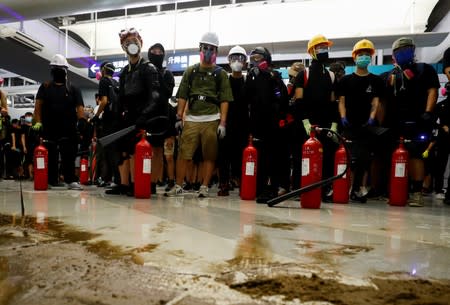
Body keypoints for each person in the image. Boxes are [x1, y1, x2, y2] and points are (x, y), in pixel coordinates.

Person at [165, 32, 233, 198]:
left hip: (212, 118)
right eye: (205, 48)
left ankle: (204, 186)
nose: (208, 51)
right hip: (192, 118)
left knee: (209, 155)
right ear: (200, 48)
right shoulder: (191, 71)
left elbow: (225, 99)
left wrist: (223, 123)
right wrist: (179, 116)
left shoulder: (221, 74)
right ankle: (179, 185)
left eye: (212, 48)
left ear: (216, 51)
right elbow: (182, 95)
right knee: (184, 154)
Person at [382, 37, 440, 207]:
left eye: (408, 48)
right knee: (394, 155)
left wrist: (428, 112)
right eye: (400, 50)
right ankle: (397, 190)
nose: (404, 52)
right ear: (393, 55)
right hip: (395, 122)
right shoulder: (390, 76)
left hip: (418, 120)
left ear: (413, 50)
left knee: (415, 154)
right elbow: (383, 101)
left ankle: (416, 193)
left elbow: (432, 91)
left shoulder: (425, 70)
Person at [105, 28, 162, 196]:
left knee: (139, 150)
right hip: (128, 115)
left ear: (141, 43)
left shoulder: (148, 68)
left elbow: (155, 95)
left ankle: (141, 183)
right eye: (128, 43)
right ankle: (125, 183)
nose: (132, 45)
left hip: (144, 116)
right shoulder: (124, 72)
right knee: (124, 149)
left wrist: (145, 116)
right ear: (123, 47)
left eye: (135, 42)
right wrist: (118, 114)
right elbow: (121, 96)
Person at [293, 34, 339, 201]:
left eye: (326, 48)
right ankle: (300, 188)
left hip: (326, 123)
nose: (324, 51)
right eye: (320, 48)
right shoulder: (303, 74)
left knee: (326, 156)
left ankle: (325, 189)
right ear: (312, 51)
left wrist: (334, 125)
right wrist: (305, 122)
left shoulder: (331, 76)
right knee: (302, 156)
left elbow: (333, 103)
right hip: (306, 124)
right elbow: (299, 101)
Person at [337, 39, 383, 203]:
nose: (363, 57)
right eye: (360, 54)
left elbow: (375, 102)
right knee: (350, 159)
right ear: (354, 57)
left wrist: (372, 118)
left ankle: (357, 190)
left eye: (366, 55)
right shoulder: (345, 80)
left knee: (363, 159)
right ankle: (345, 188)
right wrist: (343, 116)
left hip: (366, 126)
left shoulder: (376, 80)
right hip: (349, 125)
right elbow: (341, 101)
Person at [32, 54, 85, 190]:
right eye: (55, 68)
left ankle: (70, 180)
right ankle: (51, 180)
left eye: (60, 68)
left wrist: (81, 121)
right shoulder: (45, 87)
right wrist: (38, 122)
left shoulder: (73, 89)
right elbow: (38, 106)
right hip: (49, 127)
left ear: (66, 71)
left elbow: (80, 107)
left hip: (68, 128)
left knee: (69, 155)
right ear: (52, 71)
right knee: (51, 155)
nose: (58, 71)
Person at [245, 47, 289, 203]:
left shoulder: (274, 75)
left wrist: (277, 116)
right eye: (253, 58)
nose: (254, 61)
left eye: (258, 58)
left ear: (266, 59)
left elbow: (282, 97)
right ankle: (260, 186)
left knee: (272, 157)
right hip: (256, 123)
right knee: (260, 156)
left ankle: (272, 187)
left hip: (272, 124)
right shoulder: (251, 77)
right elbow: (248, 99)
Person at [216, 45, 249, 196]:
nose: (237, 61)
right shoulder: (224, 81)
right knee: (223, 154)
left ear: (245, 62)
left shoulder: (248, 81)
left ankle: (241, 181)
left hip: (243, 124)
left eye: (240, 58)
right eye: (234, 58)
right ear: (229, 61)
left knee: (240, 155)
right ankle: (223, 183)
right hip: (226, 123)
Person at [148, 43, 175, 194]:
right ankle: (151, 181)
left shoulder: (167, 74)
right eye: (154, 51)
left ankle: (169, 180)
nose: (157, 54)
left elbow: (168, 93)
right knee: (152, 151)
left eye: (160, 52)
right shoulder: (145, 71)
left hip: (165, 115)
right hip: (149, 115)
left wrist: (157, 75)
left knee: (166, 153)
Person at [94, 62, 120, 188]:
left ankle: (107, 179)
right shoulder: (116, 82)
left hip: (108, 118)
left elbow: (104, 101)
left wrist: (96, 115)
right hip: (117, 119)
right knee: (115, 149)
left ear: (103, 70)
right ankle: (117, 177)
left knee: (107, 150)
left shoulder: (103, 81)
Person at [434, 47, 450, 205]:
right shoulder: (443, 105)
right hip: (444, 136)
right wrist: (443, 127)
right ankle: (439, 189)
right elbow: (433, 118)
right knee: (441, 163)